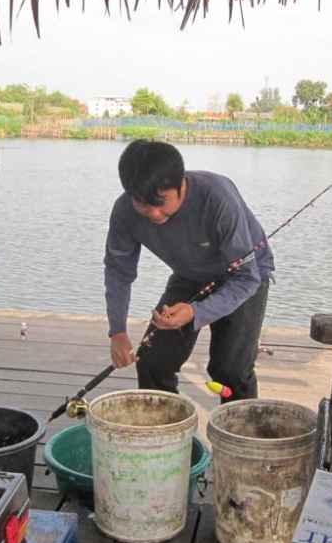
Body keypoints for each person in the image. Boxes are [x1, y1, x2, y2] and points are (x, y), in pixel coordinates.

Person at [104, 140, 275, 402]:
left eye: (161, 202)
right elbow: (118, 272)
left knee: (229, 370)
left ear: (181, 183)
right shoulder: (124, 211)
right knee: (152, 362)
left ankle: (243, 438)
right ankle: (163, 435)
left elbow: (246, 278)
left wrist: (196, 312)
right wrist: (117, 332)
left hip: (244, 275)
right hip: (190, 276)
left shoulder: (218, 199)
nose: (154, 213)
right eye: (142, 204)